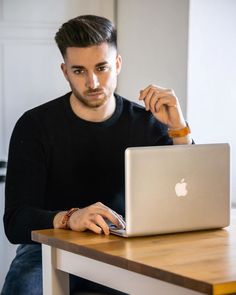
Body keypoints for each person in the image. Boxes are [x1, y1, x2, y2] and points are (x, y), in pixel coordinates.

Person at [2, 15, 192, 295]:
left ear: (117, 65)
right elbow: (16, 222)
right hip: (48, 250)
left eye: (101, 68)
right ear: (65, 71)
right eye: (79, 71)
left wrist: (178, 128)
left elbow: (185, 198)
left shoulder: (146, 123)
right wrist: (69, 218)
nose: (92, 82)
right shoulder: (34, 126)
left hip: (125, 248)